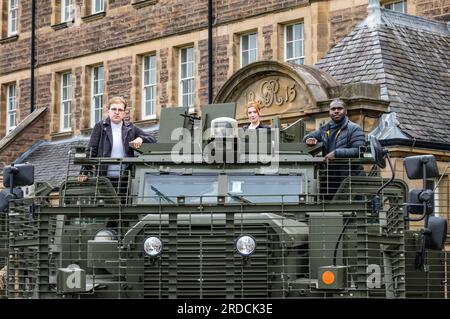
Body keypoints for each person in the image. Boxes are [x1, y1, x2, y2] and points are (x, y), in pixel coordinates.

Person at [78, 96, 156, 184]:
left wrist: (141, 138)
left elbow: (153, 139)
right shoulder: (100, 127)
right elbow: (91, 150)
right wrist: (84, 172)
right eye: (114, 109)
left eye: (120, 110)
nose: (117, 112)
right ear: (108, 111)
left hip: (125, 179)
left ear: (124, 113)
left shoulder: (131, 128)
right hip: (103, 178)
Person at [303, 98, 365, 197]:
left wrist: (336, 153)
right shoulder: (324, 129)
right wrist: (310, 139)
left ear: (345, 111)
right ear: (329, 112)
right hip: (329, 179)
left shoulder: (354, 129)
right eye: (333, 109)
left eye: (339, 108)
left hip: (349, 178)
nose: (336, 111)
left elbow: (359, 150)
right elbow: (306, 137)